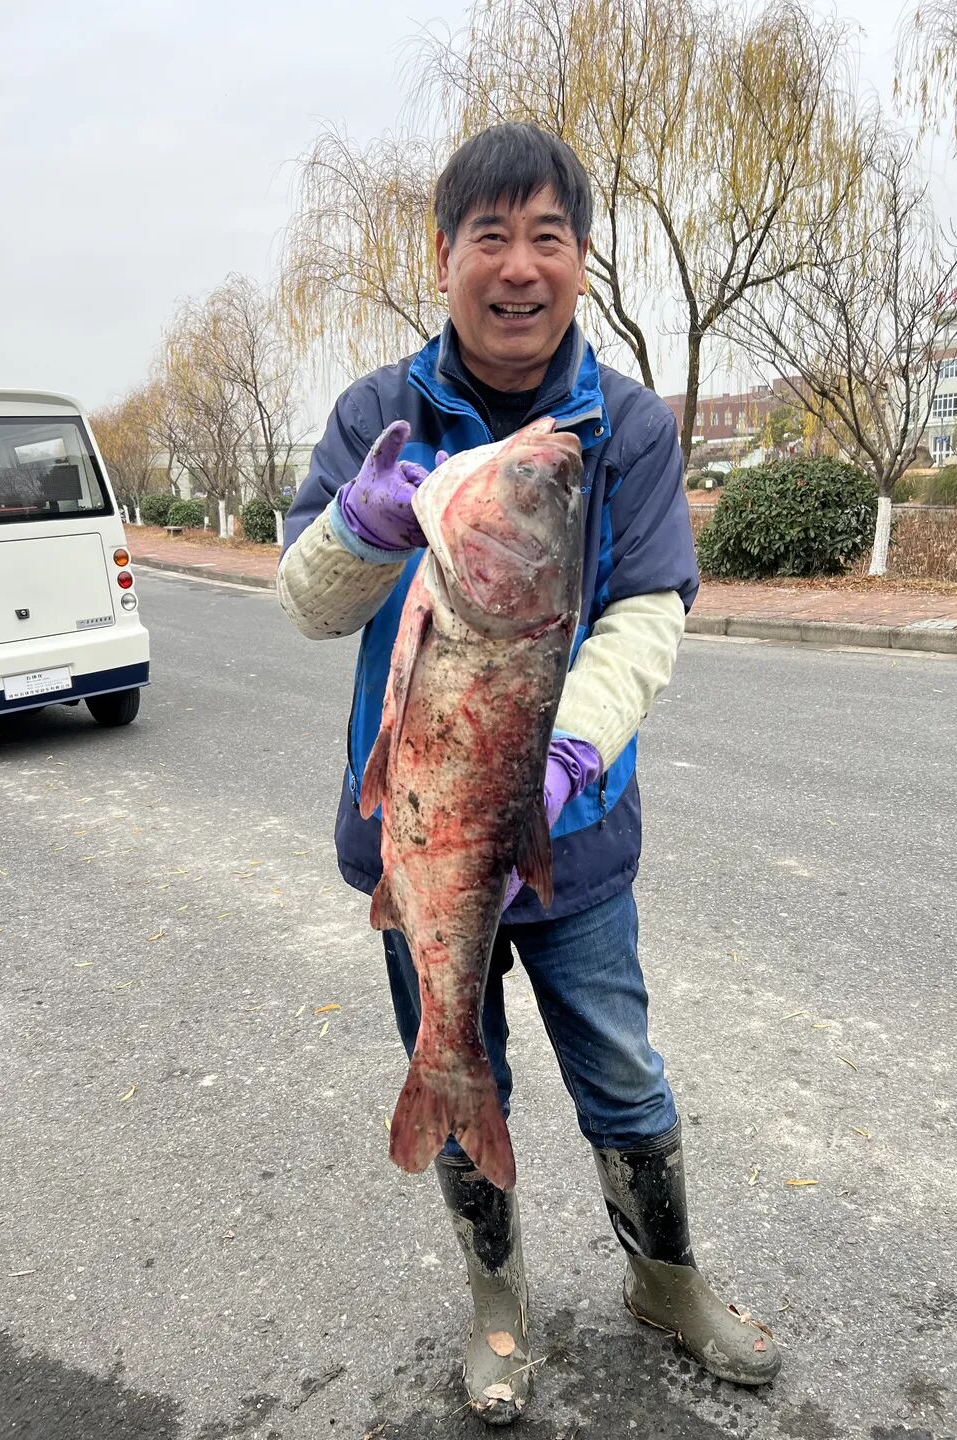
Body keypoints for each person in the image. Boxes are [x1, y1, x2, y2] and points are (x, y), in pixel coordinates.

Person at [278, 122, 780, 1424]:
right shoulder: (378, 415)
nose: (518, 266)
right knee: (459, 1062)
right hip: (422, 842)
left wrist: (561, 756)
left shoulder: (627, 427)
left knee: (622, 1068)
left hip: (573, 833)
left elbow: (649, 614)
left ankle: (665, 1279)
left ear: (583, 259)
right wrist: (359, 529)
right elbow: (308, 603)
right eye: (489, 236)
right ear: (442, 255)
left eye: (548, 236)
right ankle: (494, 1304)